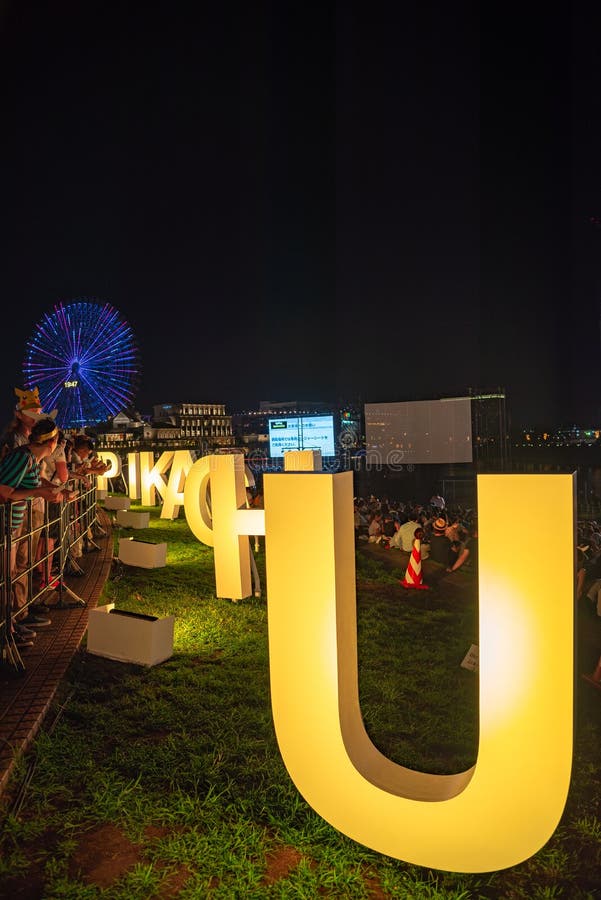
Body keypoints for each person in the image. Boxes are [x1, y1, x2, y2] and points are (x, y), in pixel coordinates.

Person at [0, 418, 71, 646]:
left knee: (9, 575)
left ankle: (9, 626)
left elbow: (32, 482)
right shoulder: (22, 457)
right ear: (53, 442)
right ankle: (6, 632)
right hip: (4, 525)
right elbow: (5, 491)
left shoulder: (29, 458)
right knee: (5, 578)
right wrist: (40, 492)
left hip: (11, 525)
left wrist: (52, 489)